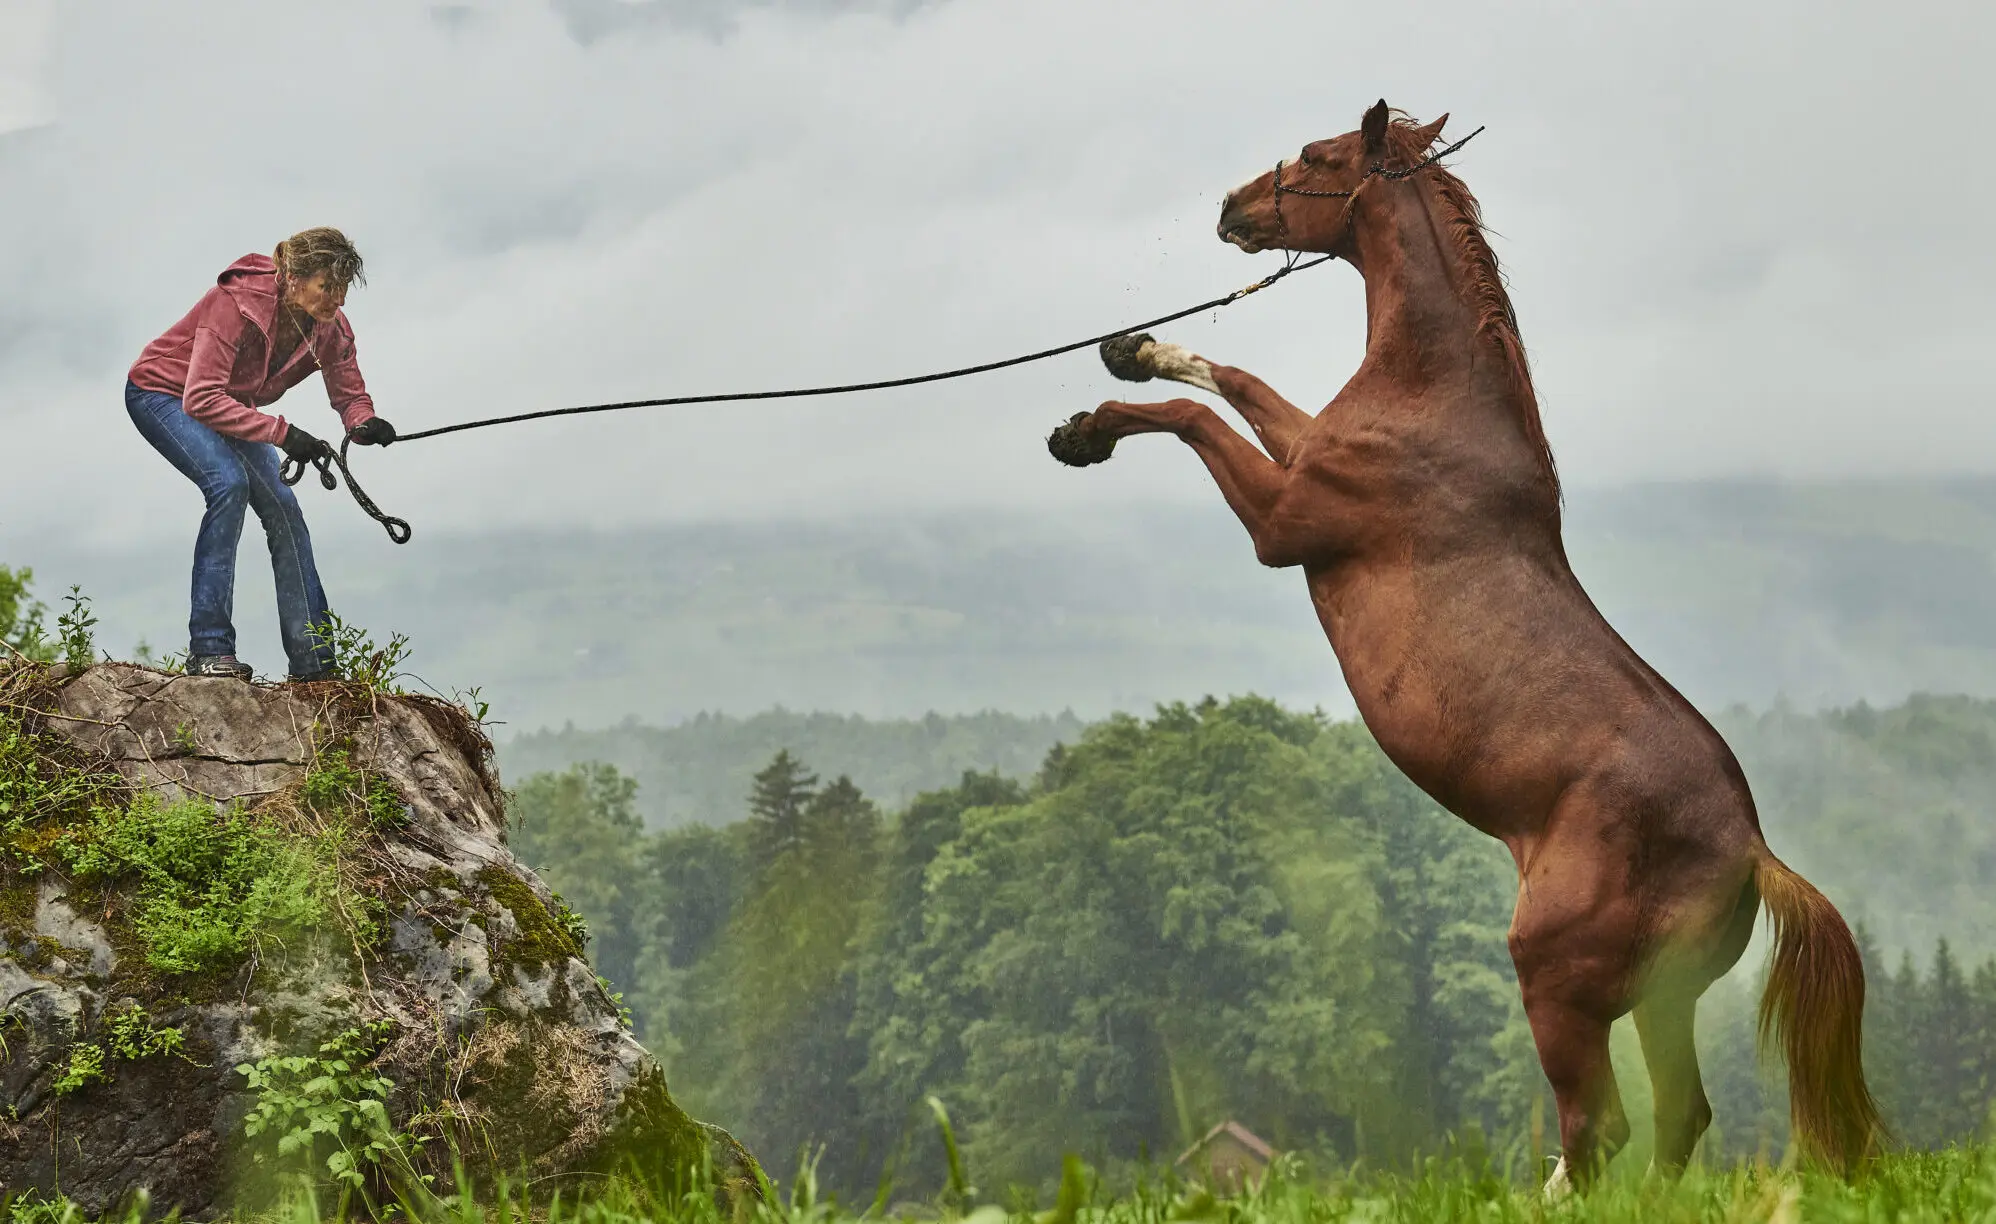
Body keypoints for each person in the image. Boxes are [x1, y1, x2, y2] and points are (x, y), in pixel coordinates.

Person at [125, 227, 396, 681]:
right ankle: (210, 650)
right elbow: (201, 399)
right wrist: (283, 434)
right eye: (329, 286)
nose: (339, 299)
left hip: (226, 404)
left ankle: (315, 666)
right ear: (293, 278)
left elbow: (349, 394)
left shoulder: (330, 327)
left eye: (344, 287)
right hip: (163, 394)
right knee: (228, 484)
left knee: (285, 510)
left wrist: (364, 423)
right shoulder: (235, 302)